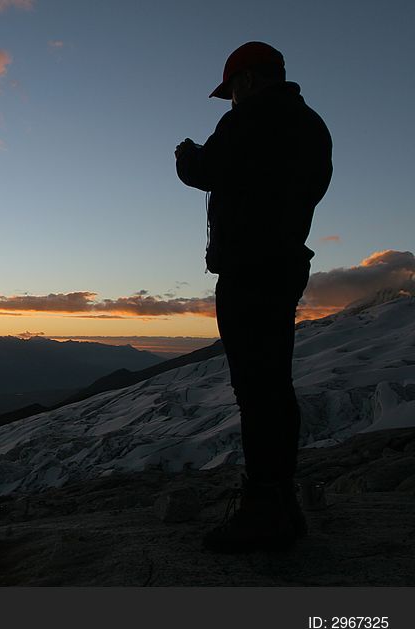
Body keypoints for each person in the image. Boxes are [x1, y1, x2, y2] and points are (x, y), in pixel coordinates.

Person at [174, 42, 333, 553]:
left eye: (232, 91)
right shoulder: (312, 126)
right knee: (274, 386)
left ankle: (265, 510)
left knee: (255, 390)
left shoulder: (249, 121)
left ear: (245, 81)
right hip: (286, 264)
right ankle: (281, 501)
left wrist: (186, 156)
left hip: (247, 268)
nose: (231, 101)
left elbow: (206, 171)